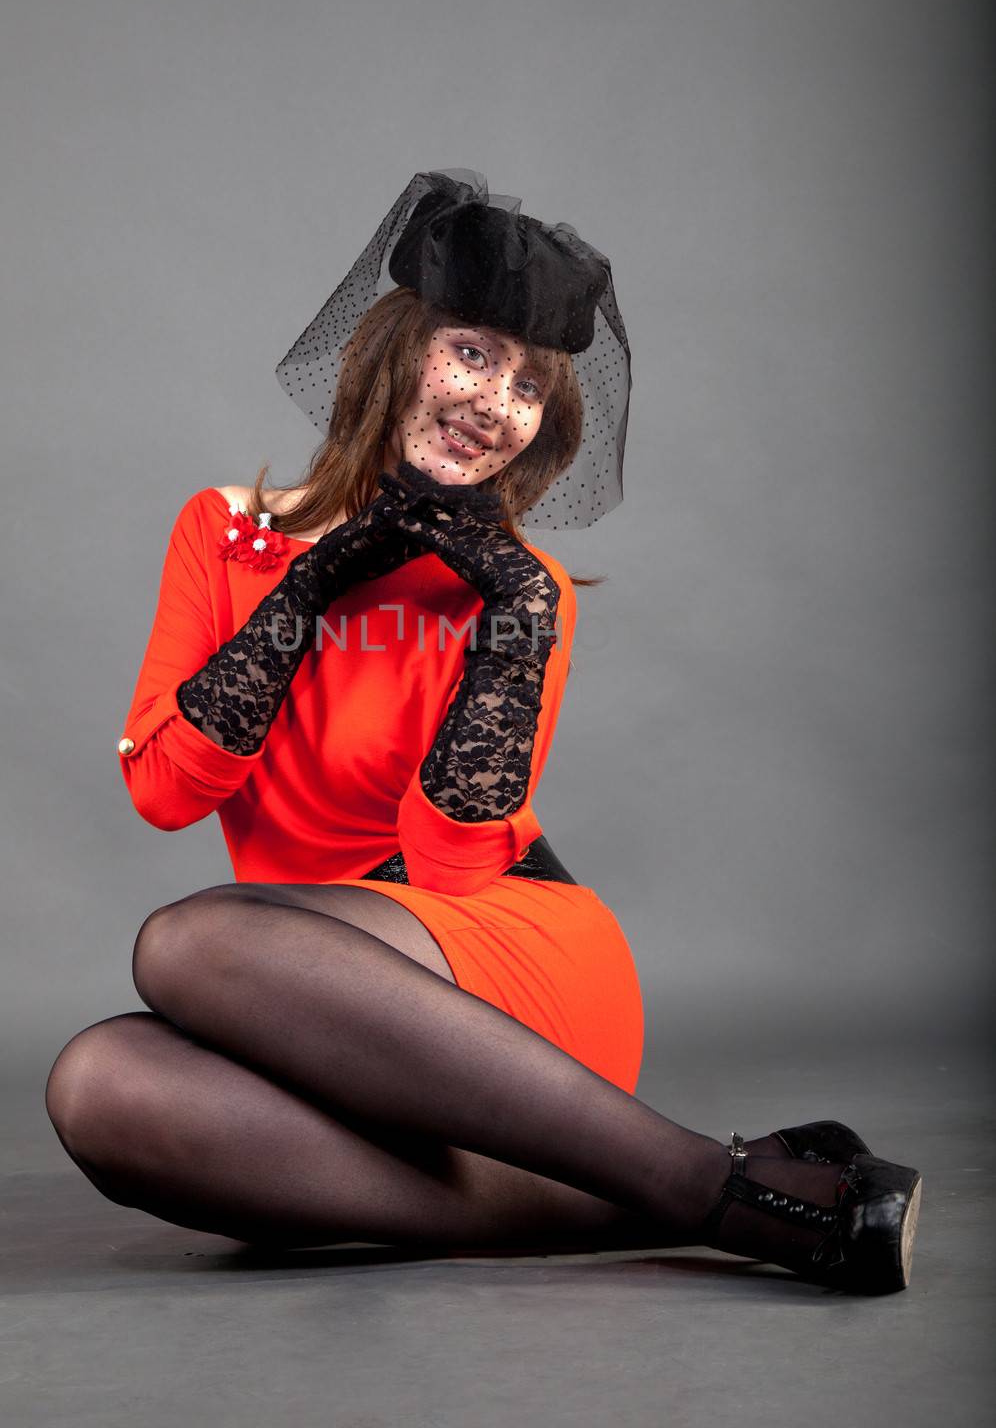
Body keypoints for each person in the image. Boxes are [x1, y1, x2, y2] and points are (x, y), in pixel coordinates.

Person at [44, 168, 921, 1291]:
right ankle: (633, 1204)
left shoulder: (523, 588)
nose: (497, 402)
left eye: (529, 384)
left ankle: (720, 1187)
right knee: (99, 1084)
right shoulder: (228, 535)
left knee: (188, 941)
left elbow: (456, 868)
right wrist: (308, 592)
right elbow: (165, 792)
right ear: (391, 354)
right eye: (471, 352)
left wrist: (516, 621)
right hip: (300, 1002)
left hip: (500, 985)